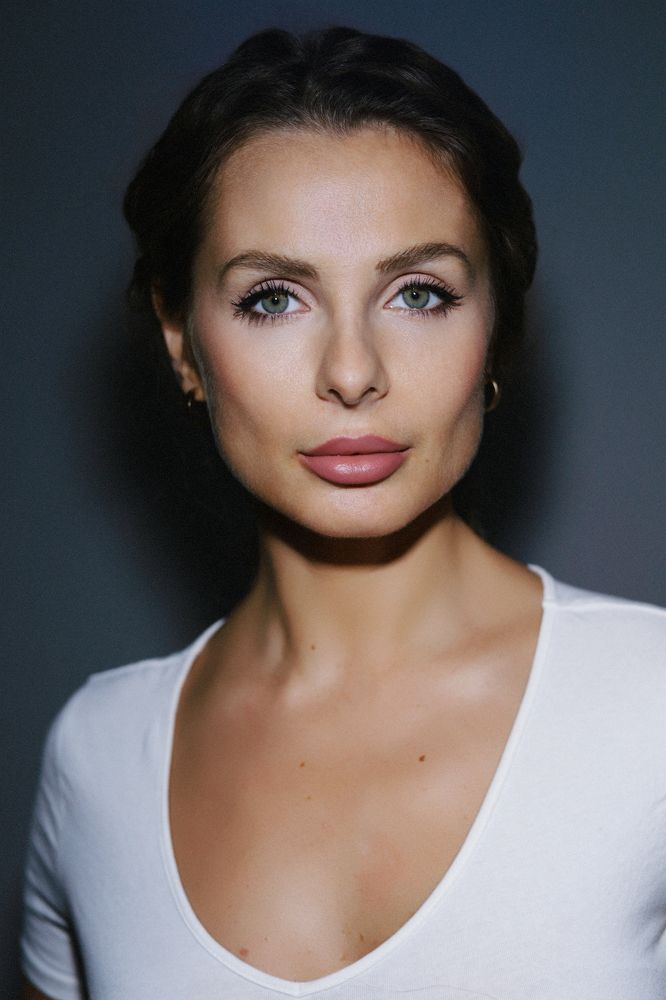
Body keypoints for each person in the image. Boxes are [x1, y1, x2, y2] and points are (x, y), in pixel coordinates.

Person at [21, 26, 665, 1000]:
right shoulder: (97, 760)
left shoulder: (651, 710)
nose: (353, 371)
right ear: (181, 339)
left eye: (420, 294)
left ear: (497, 328)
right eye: (274, 299)